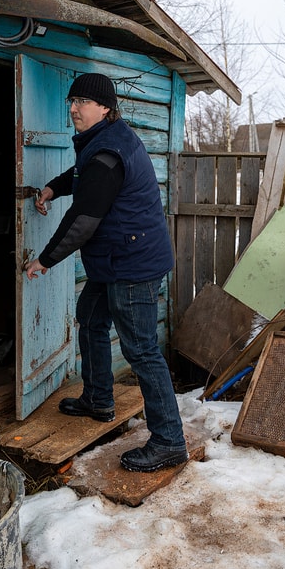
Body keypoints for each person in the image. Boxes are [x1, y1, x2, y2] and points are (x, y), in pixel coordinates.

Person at [24, 72, 188, 473]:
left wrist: (44, 259)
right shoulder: (103, 141)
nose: (74, 108)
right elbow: (84, 180)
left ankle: (169, 441)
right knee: (92, 319)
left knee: (142, 351)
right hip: (117, 257)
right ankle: (98, 398)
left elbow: (84, 218)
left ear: (105, 108)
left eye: (82, 102)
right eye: (72, 100)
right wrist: (51, 188)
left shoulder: (107, 151)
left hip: (131, 264)